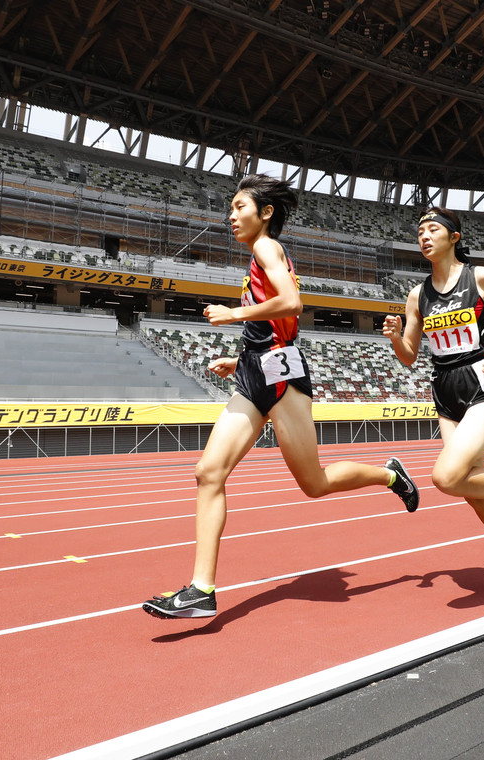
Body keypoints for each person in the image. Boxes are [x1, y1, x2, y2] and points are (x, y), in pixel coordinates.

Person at [142, 174, 420, 620]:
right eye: (230, 209)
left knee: (315, 484)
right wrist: (240, 361)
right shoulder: (258, 256)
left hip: (283, 376)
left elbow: (292, 303)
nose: (231, 216)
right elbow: (272, 325)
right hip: (256, 370)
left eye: (239, 207)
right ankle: (201, 589)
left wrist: (234, 312)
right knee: (208, 472)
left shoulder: (267, 247)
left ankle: (390, 475)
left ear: (265, 213)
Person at [383, 207, 484, 596]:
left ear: (454, 237)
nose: (424, 236)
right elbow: (409, 355)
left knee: (446, 477)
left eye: (433, 229)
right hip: (444, 389)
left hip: (482, 382)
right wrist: (394, 337)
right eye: (420, 231)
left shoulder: (482, 277)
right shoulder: (417, 295)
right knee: (471, 492)